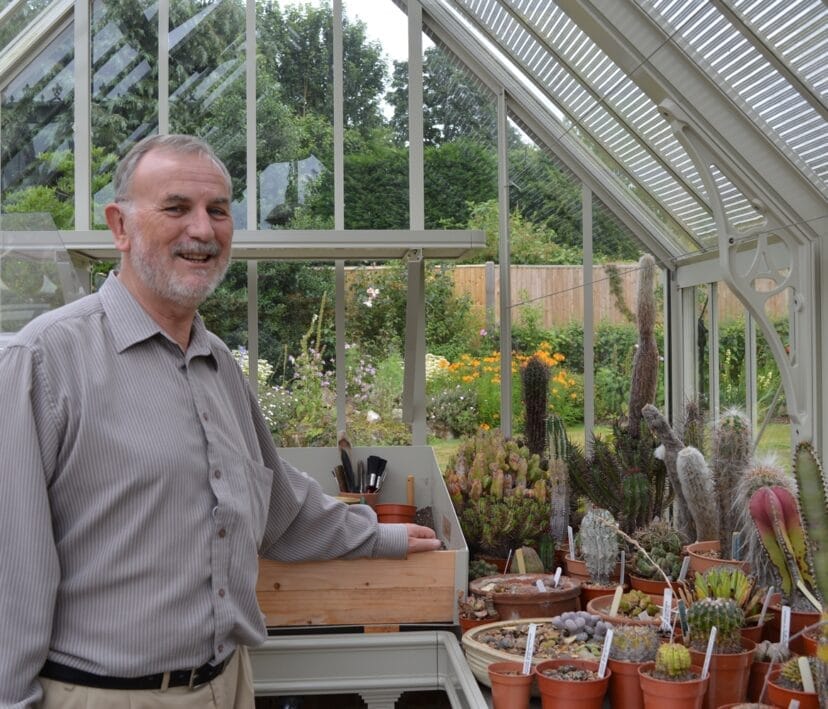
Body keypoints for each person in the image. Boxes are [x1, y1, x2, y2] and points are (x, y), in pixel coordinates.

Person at [0, 134, 442, 709]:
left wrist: (379, 535)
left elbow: (280, 505)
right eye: (176, 208)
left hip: (227, 686)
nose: (203, 231)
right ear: (120, 226)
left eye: (218, 210)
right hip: (103, 696)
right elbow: (11, 566)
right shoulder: (43, 360)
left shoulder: (218, 367)